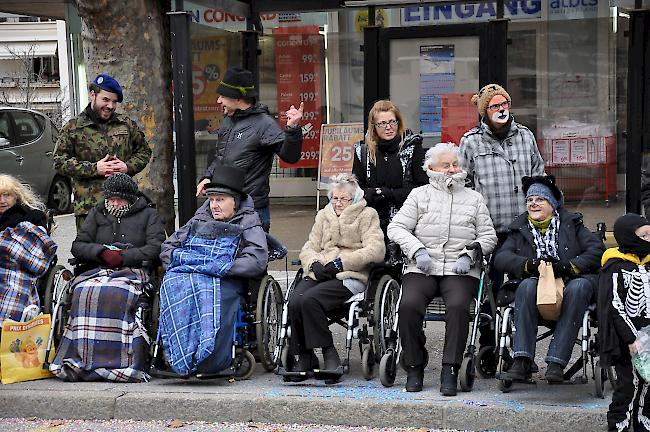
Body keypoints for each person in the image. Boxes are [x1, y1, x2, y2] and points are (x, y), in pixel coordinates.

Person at [387, 143, 497, 395]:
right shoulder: (419, 195)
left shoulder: (474, 198)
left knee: (459, 306)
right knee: (408, 305)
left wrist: (470, 253)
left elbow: (489, 236)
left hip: (460, 270)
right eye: (445, 165)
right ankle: (414, 365)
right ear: (431, 168)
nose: (451, 169)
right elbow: (396, 228)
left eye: (455, 164)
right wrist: (417, 250)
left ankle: (450, 367)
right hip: (423, 266)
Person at [49, 173, 164, 382]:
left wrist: (124, 257)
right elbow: (78, 246)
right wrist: (100, 252)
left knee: (117, 294)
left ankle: (121, 361)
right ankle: (82, 358)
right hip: (97, 269)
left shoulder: (149, 215)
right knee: (83, 292)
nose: (114, 203)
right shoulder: (97, 213)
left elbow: (156, 248)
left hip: (133, 270)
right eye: (110, 199)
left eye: (119, 199)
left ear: (130, 199)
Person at [159, 164, 272, 376]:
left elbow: (257, 259)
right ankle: (177, 356)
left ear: (235, 202)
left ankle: (210, 361)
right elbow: (168, 247)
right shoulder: (200, 218)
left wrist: (221, 267)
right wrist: (183, 261)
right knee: (172, 286)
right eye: (211, 200)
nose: (214, 206)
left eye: (220, 200)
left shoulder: (248, 222)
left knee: (215, 298)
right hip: (191, 275)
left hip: (226, 278)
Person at [494, 175, 604, 384]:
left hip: (571, 283)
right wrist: (529, 264)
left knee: (580, 286)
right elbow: (501, 258)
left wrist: (568, 266)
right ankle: (522, 360)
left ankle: (556, 363)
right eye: (529, 200)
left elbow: (597, 250)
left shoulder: (573, 224)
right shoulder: (518, 229)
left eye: (540, 199)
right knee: (526, 285)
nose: (533, 203)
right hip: (535, 286)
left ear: (553, 205)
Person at [459, 83, 545, 348]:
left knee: (524, 288)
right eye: (495, 106)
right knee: (490, 290)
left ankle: (520, 348)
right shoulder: (470, 141)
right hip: (489, 230)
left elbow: (538, 173)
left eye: (504, 104)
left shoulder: (525, 136)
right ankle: (488, 345)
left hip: (523, 229)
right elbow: (464, 184)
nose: (501, 109)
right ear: (485, 111)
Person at [288, 173, 385, 380]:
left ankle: (328, 352)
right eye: (335, 198)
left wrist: (342, 263)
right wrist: (313, 263)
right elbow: (309, 246)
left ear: (355, 198)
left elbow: (376, 250)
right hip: (320, 271)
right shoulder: (324, 215)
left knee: (310, 300)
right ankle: (305, 357)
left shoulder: (367, 215)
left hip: (349, 274)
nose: (338, 203)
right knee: (295, 300)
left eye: (344, 199)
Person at [196, 67, 304, 232]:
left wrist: (292, 129)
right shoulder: (228, 121)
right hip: (226, 207)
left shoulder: (264, 124)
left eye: (223, 96)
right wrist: (207, 177)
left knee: (251, 257)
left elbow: (290, 156)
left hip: (251, 210)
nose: (218, 101)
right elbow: (220, 157)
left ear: (238, 99)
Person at [53, 74, 152, 231]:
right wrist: (94, 169)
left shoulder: (126, 124)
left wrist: (127, 167)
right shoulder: (74, 127)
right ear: (93, 95)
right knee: (89, 253)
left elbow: (144, 151)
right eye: (105, 100)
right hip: (89, 208)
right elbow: (59, 161)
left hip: (124, 205)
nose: (110, 106)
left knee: (125, 252)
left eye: (114, 102)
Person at [598, 213, 650, 432]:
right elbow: (614, 304)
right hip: (626, 338)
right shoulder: (615, 266)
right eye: (644, 235)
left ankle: (643, 422)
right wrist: (630, 337)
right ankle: (618, 424)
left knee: (648, 383)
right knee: (628, 384)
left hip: (649, 336)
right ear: (629, 237)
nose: (649, 239)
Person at [353, 100, 428, 234]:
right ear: (373, 126)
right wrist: (372, 194)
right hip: (372, 224)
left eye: (392, 122)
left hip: (408, 222)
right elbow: (356, 189)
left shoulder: (412, 147)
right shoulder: (363, 151)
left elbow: (422, 189)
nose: (388, 127)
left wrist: (387, 193)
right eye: (382, 123)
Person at [0, 174, 56, 325]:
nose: (2, 201)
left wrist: (5, 243)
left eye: (7, 195)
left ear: (16, 196)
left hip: (20, 269)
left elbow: (38, 248)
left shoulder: (32, 216)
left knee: (10, 288)